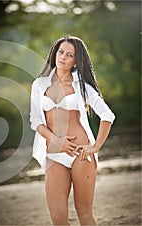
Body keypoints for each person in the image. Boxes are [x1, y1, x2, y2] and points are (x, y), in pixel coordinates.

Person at [30, 36, 115, 225]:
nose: (63, 57)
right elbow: (35, 121)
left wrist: (95, 146)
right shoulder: (39, 85)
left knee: (83, 211)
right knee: (58, 218)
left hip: (81, 152)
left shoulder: (82, 87)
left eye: (70, 55)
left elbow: (108, 116)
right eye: (61, 52)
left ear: (76, 61)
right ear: (54, 53)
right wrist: (56, 140)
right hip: (54, 153)